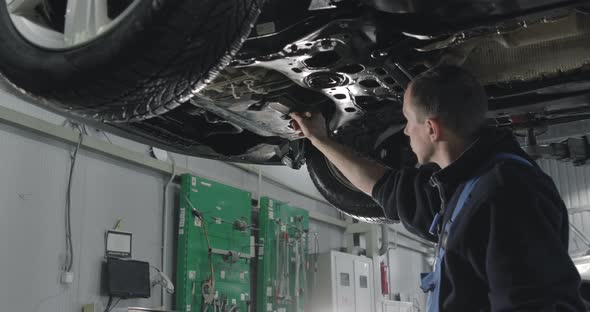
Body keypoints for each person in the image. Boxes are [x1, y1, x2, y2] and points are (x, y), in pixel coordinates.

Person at [290, 65, 585, 311]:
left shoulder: (507, 194)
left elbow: (535, 304)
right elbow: (384, 187)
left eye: (407, 121)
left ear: (432, 129)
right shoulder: (463, 186)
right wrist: (320, 140)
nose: (405, 131)